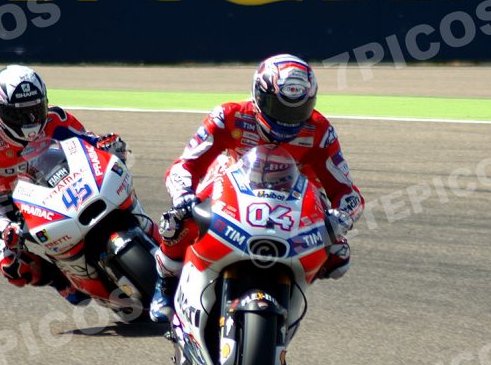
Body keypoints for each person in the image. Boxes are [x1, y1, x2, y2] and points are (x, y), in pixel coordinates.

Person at [150, 54, 365, 322]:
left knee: (338, 256)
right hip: (231, 186)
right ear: (259, 96)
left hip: (293, 195)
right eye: (279, 107)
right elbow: (184, 165)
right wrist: (183, 196)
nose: (288, 119)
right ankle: (166, 282)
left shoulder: (320, 131)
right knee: (177, 221)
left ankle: (291, 287)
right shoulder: (228, 116)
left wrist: (342, 218)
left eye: (298, 110)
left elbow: (348, 192)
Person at [0, 65, 127, 304]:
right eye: (19, 115)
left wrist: (109, 144)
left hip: (38, 171)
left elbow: (90, 142)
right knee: (13, 266)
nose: (30, 121)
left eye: (35, 110)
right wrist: (1, 226)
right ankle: (59, 280)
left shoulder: (54, 117)